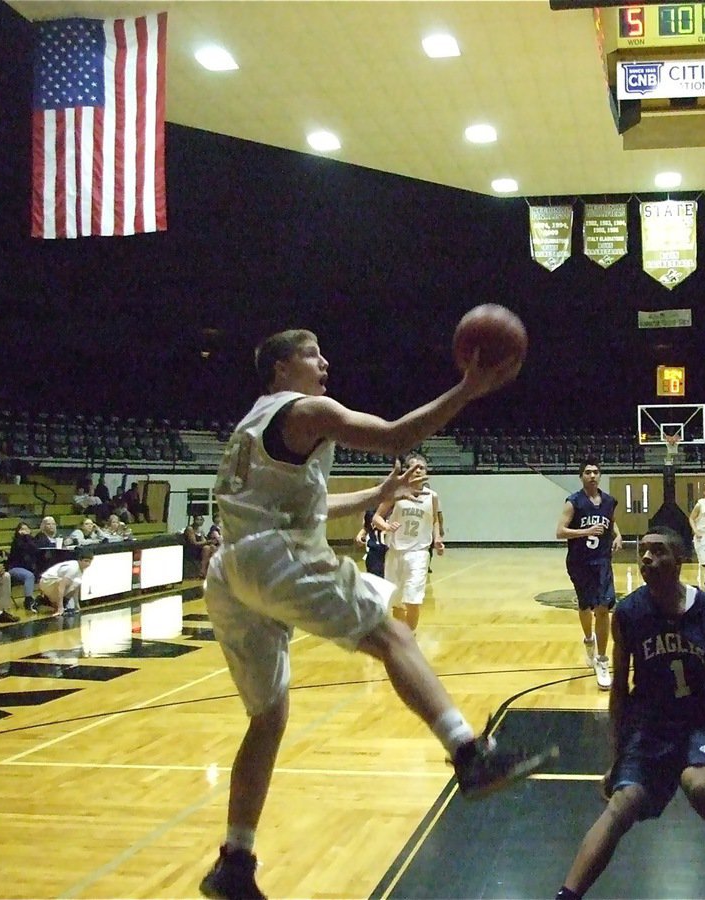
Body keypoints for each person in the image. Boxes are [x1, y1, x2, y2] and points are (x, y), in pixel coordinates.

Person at [198, 328, 550, 900]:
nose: (325, 361)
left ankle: (235, 860)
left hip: (231, 573)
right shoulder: (308, 407)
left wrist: (376, 495)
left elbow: (312, 504)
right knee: (391, 634)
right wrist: (467, 388)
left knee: (267, 717)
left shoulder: (250, 424)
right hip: (273, 556)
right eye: (313, 353)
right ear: (281, 367)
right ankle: (469, 752)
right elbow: (395, 436)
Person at [555, 527, 705, 900]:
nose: (646, 558)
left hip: (697, 723)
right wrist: (615, 760)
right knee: (620, 804)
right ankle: (566, 896)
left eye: (657, 551)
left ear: (680, 560)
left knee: (703, 786)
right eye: (642, 551)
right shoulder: (628, 613)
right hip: (650, 726)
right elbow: (619, 696)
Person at [557, 459, 624, 690]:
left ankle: (602, 660)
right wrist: (585, 531)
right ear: (581, 477)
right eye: (588, 472)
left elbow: (611, 523)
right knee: (585, 607)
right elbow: (560, 531)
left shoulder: (608, 501)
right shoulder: (573, 502)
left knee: (603, 608)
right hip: (579, 562)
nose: (592, 475)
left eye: (596, 472)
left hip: (602, 561)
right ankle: (588, 640)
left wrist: (617, 535)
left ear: (600, 475)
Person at [373, 451, 442, 631]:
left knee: (413, 600)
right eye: (415, 467)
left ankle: (409, 636)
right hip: (395, 552)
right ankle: (401, 634)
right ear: (407, 471)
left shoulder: (431, 496)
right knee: (396, 602)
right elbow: (376, 518)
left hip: (418, 553)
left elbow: (434, 519)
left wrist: (438, 538)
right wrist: (387, 527)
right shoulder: (397, 494)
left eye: (422, 467)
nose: (419, 470)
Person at [37, 552, 93, 616]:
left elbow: (76, 588)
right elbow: (61, 586)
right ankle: (43, 600)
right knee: (66, 583)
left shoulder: (80, 569)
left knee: (76, 583)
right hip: (46, 581)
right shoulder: (73, 569)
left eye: (89, 562)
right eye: (85, 561)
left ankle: (61, 603)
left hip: (54, 581)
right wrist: (60, 607)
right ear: (79, 560)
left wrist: (77, 605)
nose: (87, 564)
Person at [5, 521, 40, 613]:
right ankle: (28, 600)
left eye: (26, 529)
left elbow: (34, 549)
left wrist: (27, 538)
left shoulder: (32, 541)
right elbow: (20, 550)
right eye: (22, 529)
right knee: (29, 576)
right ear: (18, 531)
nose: (24, 531)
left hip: (28, 569)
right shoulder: (16, 542)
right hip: (14, 568)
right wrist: (23, 537)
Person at [355, 509, 388, 577]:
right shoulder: (371, 509)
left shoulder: (398, 507)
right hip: (375, 551)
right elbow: (367, 527)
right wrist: (361, 534)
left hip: (392, 550)